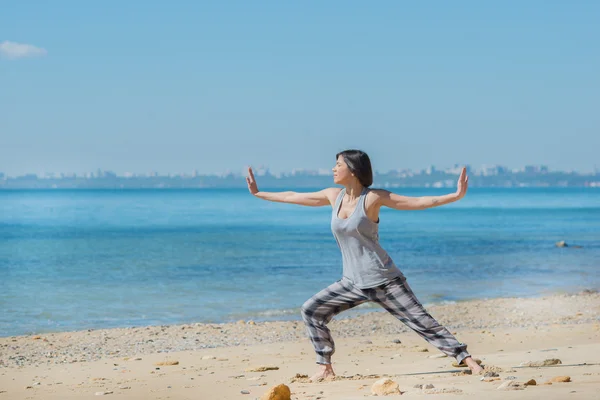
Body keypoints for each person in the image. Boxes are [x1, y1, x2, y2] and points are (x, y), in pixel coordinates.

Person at [246, 149, 484, 381]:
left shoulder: (372, 198)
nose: (333, 168)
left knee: (422, 322)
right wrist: (259, 193)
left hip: (384, 280)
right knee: (311, 310)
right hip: (351, 282)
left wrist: (455, 196)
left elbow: (418, 202)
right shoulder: (333, 195)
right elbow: (292, 196)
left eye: (338, 164)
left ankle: (468, 361)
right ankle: (325, 367)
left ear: (353, 169)